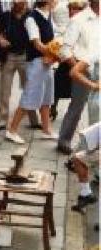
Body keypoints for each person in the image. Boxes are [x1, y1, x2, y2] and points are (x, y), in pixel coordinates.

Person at [5, 0, 59, 144]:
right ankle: (12, 130)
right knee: (30, 95)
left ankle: (46, 130)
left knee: (47, 97)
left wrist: (53, 56)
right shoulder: (31, 18)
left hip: (47, 63)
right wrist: (54, 54)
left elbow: (54, 39)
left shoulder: (49, 15)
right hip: (36, 63)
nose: (57, 2)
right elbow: (37, 43)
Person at [57, 0, 99, 154]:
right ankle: (64, 140)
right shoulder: (78, 20)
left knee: (96, 110)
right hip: (83, 69)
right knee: (77, 107)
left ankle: (91, 147)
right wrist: (78, 69)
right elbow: (65, 50)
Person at [0, 0, 41, 131]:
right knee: (4, 90)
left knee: (29, 88)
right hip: (8, 56)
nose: (18, 5)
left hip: (25, 56)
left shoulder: (31, 16)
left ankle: (33, 119)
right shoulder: (6, 15)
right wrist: (1, 39)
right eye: (16, 3)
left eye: (21, 3)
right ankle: (1, 120)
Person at [50, 0, 87, 121]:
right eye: (70, 9)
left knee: (77, 91)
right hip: (67, 61)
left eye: (75, 9)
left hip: (80, 62)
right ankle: (52, 109)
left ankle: (73, 115)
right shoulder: (70, 23)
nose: (71, 11)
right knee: (56, 86)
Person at [70, 122, 99, 212]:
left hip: (90, 140)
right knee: (79, 159)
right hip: (90, 140)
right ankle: (85, 193)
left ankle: (86, 193)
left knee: (78, 159)